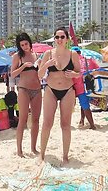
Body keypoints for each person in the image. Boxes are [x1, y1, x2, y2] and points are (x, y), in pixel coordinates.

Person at [38, 27, 81, 165]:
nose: (59, 40)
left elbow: (79, 73)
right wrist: (47, 65)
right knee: (47, 123)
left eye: (62, 37)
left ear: (67, 39)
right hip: (51, 89)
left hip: (67, 90)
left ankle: (65, 156)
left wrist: (74, 75)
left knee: (65, 124)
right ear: (54, 39)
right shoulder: (48, 53)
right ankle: (42, 154)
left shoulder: (73, 54)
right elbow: (39, 75)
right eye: (57, 37)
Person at [11, 32, 43, 157]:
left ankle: (33, 148)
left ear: (30, 42)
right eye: (22, 45)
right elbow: (12, 74)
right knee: (22, 119)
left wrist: (41, 66)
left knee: (36, 119)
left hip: (37, 89)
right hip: (23, 89)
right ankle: (19, 150)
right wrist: (23, 66)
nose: (25, 46)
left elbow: (41, 74)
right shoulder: (17, 56)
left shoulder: (36, 55)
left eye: (26, 44)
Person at [71, 46, 99, 130]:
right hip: (90, 86)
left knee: (85, 105)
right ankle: (82, 120)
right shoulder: (89, 60)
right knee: (84, 103)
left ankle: (92, 125)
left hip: (79, 87)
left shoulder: (72, 62)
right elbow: (98, 69)